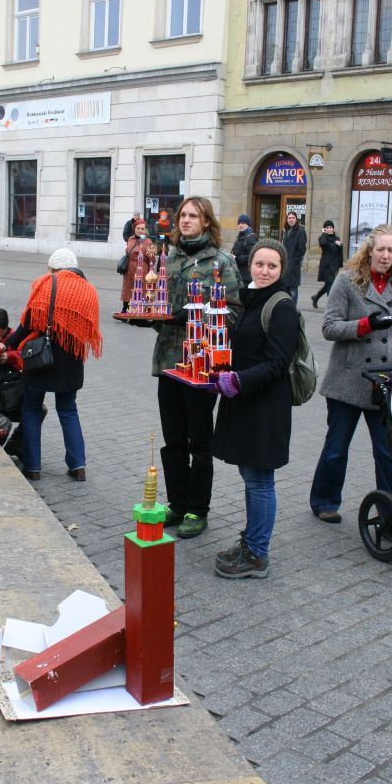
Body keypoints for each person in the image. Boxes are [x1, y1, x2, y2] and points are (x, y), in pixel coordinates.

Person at [310, 224, 392, 523]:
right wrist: (365, 324)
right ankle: (324, 500)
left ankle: (391, 512)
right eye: (380, 249)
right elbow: (330, 327)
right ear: (369, 251)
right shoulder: (347, 280)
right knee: (336, 447)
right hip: (347, 380)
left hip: (384, 381)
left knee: (388, 453)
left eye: (390, 250)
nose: (385, 255)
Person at [151, 196, 242, 538]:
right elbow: (158, 302)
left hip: (201, 365)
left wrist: (191, 318)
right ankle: (177, 504)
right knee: (172, 438)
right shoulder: (170, 258)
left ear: (207, 222)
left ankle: (197, 510)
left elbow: (234, 312)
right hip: (168, 360)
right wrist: (153, 319)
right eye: (183, 215)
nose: (186, 220)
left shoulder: (220, 261)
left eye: (194, 216)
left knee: (199, 442)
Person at [212, 239, 299, 578]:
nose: (264, 271)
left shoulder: (281, 307)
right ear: (251, 266)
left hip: (266, 407)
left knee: (261, 480)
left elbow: (278, 362)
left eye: (272, 266)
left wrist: (239, 380)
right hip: (247, 402)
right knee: (250, 477)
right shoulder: (252, 298)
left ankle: (257, 554)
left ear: (281, 270)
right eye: (259, 264)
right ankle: (250, 541)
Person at [6, 247, 102, 481]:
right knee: (68, 409)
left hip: (41, 357)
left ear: (54, 268)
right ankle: (78, 466)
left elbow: (30, 321)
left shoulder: (48, 284)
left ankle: (32, 467)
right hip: (72, 359)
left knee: (31, 409)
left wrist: (10, 343)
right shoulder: (89, 290)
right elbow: (90, 330)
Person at [119, 219, 155, 314]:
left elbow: (152, 260)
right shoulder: (130, 239)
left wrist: (150, 270)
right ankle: (125, 309)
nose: (140, 230)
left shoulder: (149, 241)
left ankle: (141, 310)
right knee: (127, 289)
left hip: (142, 270)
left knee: (141, 289)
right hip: (129, 269)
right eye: (138, 228)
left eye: (142, 228)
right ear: (134, 229)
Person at [311, 220, 343, 309]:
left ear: (333, 229)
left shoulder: (337, 238)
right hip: (326, 265)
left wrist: (340, 245)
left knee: (328, 284)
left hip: (334, 266)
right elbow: (323, 243)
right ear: (324, 229)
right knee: (331, 284)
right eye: (327, 228)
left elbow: (339, 252)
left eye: (330, 227)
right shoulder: (322, 237)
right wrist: (324, 234)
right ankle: (331, 306)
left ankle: (316, 297)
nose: (329, 229)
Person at [281, 211, 307, 306]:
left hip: (293, 265)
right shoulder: (285, 231)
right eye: (289, 218)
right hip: (284, 264)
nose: (291, 220)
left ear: (296, 220)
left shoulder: (300, 231)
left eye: (293, 218)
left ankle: (293, 309)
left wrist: (294, 261)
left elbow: (302, 250)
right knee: (285, 290)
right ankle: (287, 308)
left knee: (293, 290)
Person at [231, 214, 257, 286]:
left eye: (243, 223)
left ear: (248, 225)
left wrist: (236, 258)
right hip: (239, 274)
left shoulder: (250, 237)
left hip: (246, 276)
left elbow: (252, 256)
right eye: (239, 223)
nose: (240, 225)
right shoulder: (240, 236)